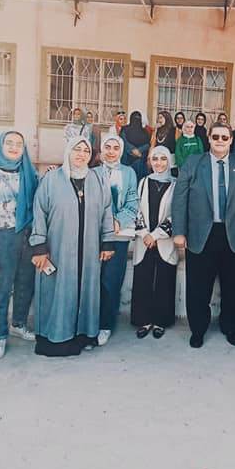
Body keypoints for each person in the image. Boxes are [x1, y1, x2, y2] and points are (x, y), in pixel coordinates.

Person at [29, 137, 116, 357]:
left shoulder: (98, 179)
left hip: (89, 248)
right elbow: (39, 212)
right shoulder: (52, 179)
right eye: (77, 149)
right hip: (58, 247)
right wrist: (39, 246)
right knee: (57, 290)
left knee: (87, 289)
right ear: (68, 151)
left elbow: (107, 210)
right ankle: (56, 339)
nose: (81, 154)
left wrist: (107, 241)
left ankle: (83, 335)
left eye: (86, 151)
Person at [172, 122, 235, 348]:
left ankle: (230, 327)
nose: (220, 140)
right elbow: (179, 198)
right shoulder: (193, 163)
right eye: (216, 136)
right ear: (208, 138)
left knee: (233, 286)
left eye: (224, 137)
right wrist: (179, 231)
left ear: (231, 140)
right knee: (198, 286)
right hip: (201, 234)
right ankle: (198, 329)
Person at [0, 130, 40, 361]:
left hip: (28, 235)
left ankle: (18, 324)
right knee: (0, 288)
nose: (14, 147)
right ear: (1, 146)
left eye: (18, 144)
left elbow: (41, 202)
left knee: (26, 283)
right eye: (9, 143)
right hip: (2, 237)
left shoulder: (31, 174)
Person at [131, 146, 178, 339]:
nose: (159, 163)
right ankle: (143, 320)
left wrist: (156, 235)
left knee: (164, 281)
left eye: (163, 159)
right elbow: (135, 209)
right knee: (143, 280)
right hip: (144, 241)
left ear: (169, 161)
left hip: (164, 242)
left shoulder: (176, 184)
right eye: (155, 159)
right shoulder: (143, 182)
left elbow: (177, 213)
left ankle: (161, 321)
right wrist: (145, 233)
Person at [96, 134, 139, 346]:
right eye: (108, 147)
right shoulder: (92, 172)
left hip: (118, 234)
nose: (111, 151)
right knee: (93, 281)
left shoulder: (129, 173)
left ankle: (105, 324)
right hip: (94, 235)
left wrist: (118, 220)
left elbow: (133, 202)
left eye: (115, 148)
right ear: (102, 150)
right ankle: (89, 324)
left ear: (121, 151)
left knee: (111, 281)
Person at [121, 110, 151, 180]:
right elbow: (123, 141)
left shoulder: (145, 131)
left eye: (138, 118)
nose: (136, 120)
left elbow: (148, 144)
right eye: (134, 118)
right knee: (126, 179)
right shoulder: (125, 129)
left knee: (139, 180)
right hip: (127, 160)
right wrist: (132, 149)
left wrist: (139, 150)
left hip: (140, 161)